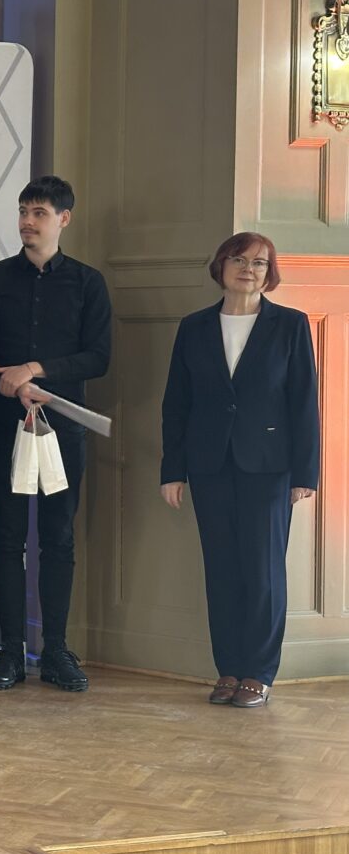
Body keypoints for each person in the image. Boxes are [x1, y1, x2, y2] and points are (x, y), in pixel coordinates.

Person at [0, 176, 112, 693]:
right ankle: (9, 651)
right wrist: (10, 383)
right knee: (7, 536)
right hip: (5, 425)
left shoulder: (88, 283)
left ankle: (55, 650)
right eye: (24, 211)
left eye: (40, 213)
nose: (28, 221)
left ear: (64, 219)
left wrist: (36, 369)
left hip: (62, 428)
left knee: (58, 537)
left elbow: (98, 357)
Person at [160, 233, 319, 709]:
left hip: (269, 467)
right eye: (239, 259)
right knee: (222, 571)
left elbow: (303, 402)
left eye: (259, 262)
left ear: (270, 273)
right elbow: (176, 403)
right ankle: (228, 668)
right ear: (221, 266)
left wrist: (305, 474)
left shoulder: (290, 325)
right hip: (208, 464)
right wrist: (173, 470)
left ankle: (259, 672)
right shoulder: (194, 327)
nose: (248, 268)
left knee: (263, 572)